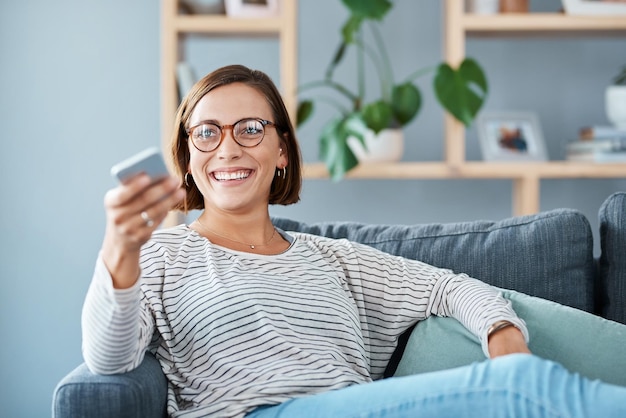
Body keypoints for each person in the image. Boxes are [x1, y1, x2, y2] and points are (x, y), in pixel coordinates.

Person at [83, 64, 626, 418]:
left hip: (357, 407)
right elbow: (109, 360)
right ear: (188, 155)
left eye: (250, 129)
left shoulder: (332, 258)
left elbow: (451, 288)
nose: (227, 148)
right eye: (206, 132)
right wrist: (119, 248)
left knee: (516, 382)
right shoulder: (162, 255)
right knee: (518, 392)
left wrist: (504, 334)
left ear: (282, 153)